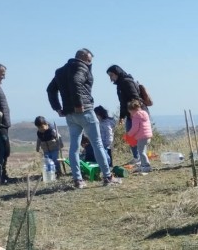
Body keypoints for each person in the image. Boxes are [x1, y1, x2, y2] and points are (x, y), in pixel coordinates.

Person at [47, 48, 113, 189]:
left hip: (70, 114)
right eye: (89, 61)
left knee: (74, 148)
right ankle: (108, 177)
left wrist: (58, 108)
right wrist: (79, 104)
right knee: (97, 144)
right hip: (85, 111)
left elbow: (50, 89)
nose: (90, 64)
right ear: (83, 58)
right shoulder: (81, 67)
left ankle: (78, 180)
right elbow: (76, 82)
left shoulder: (60, 71)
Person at [106, 65, 141, 160]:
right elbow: (122, 103)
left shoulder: (127, 82)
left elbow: (135, 98)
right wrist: (122, 117)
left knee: (136, 136)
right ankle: (136, 157)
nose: (111, 78)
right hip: (130, 115)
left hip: (136, 115)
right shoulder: (120, 85)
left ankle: (139, 158)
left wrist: (135, 113)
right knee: (130, 136)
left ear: (117, 73)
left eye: (111, 75)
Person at [125, 100, 152, 173]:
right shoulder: (145, 113)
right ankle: (143, 165)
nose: (131, 114)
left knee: (141, 152)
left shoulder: (136, 116)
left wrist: (129, 134)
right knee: (143, 151)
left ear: (132, 110)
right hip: (147, 136)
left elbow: (135, 128)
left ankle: (146, 166)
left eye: (130, 112)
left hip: (141, 137)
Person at [95, 105, 116, 169]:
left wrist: (107, 143)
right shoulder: (101, 122)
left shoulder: (106, 123)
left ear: (99, 114)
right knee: (106, 155)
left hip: (106, 143)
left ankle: (108, 167)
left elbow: (109, 134)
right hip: (103, 142)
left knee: (107, 155)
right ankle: (107, 167)